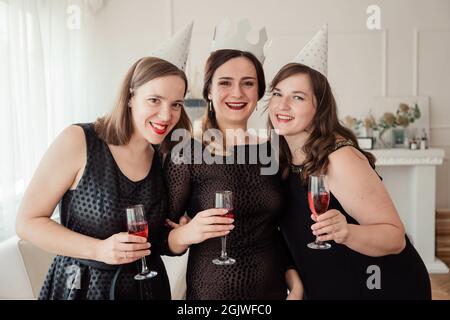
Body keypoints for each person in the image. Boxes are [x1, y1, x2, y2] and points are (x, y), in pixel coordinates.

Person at [15, 23, 197, 300]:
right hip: (83, 288)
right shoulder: (79, 141)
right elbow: (27, 223)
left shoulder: (167, 157)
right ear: (130, 98)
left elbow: (158, 240)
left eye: (176, 104)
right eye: (154, 100)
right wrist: (98, 250)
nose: (166, 115)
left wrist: (183, 233)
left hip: (148, 290)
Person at [267, 25, 431, 299]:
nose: (282, 106)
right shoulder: (279, 156)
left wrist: (346, 232)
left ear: (319, 107)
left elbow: (394, 237)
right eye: (277, 93)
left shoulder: (339, 158)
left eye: (297, 97)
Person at [164, 22, 302, 299]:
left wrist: (295, 283)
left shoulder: (274, 148)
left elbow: (275, 230)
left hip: (273, 292)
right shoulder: (187, 151)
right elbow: (161, 238)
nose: (237, 93)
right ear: (209, 92)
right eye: (225, 83)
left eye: (248, 83)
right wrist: (187, 233)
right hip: (212, 293)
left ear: (259, 91)